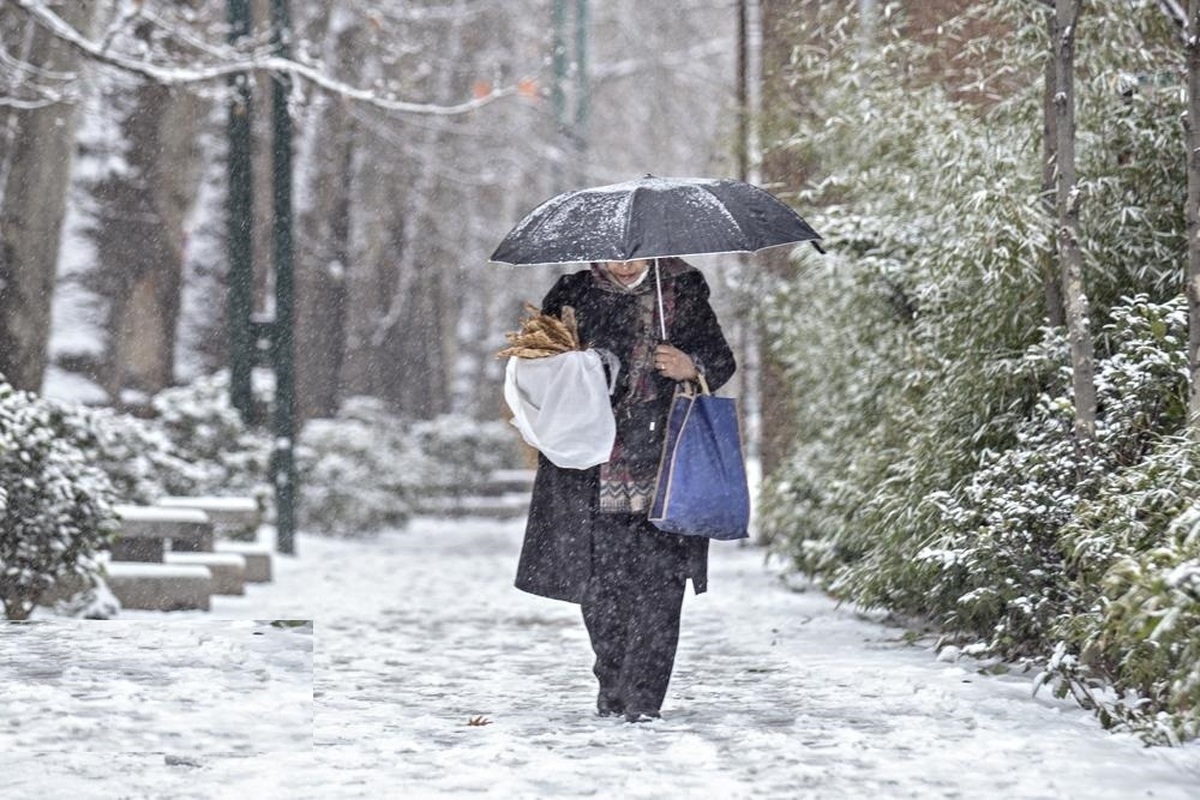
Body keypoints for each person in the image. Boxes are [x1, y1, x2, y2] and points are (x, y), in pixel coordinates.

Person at [514, 256, 736, 723]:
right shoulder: (573, 292)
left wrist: (689, 366)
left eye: (633, 252)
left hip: (668, 464)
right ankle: (613, 684)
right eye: (612, 253)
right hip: (591, 465)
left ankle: (643, 698)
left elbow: (722, 359)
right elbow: (536, 364)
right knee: (602, 590)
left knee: (661, 586)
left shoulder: (682, 286)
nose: (622, 261)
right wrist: (583, 365)